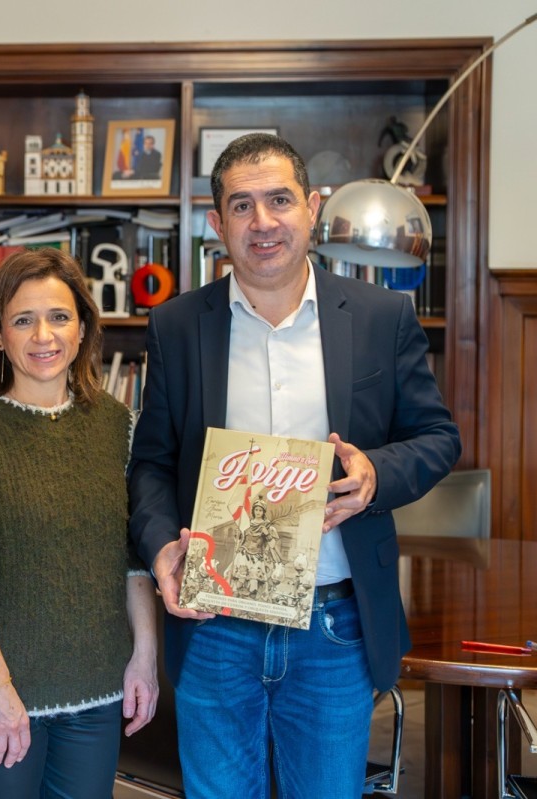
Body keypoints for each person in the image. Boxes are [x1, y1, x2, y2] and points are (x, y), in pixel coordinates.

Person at [129, 132, 461, 797]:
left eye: (279, 199)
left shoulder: (380, 317)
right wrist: (162, 543)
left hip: (334, 626)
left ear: (312, 207)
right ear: (217, 223)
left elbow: (437, 437)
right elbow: (151, 467)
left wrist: (373, 475)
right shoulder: (176, 326)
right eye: (242, 206)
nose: (263, 222)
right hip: (216, 624)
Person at [0, 247, 159, 798]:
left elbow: (132, 557)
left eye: (59, 317)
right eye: (22, 320)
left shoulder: (117, 424)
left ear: (82, 329)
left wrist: (144, 659)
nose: (43, 336)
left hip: (97, 692)